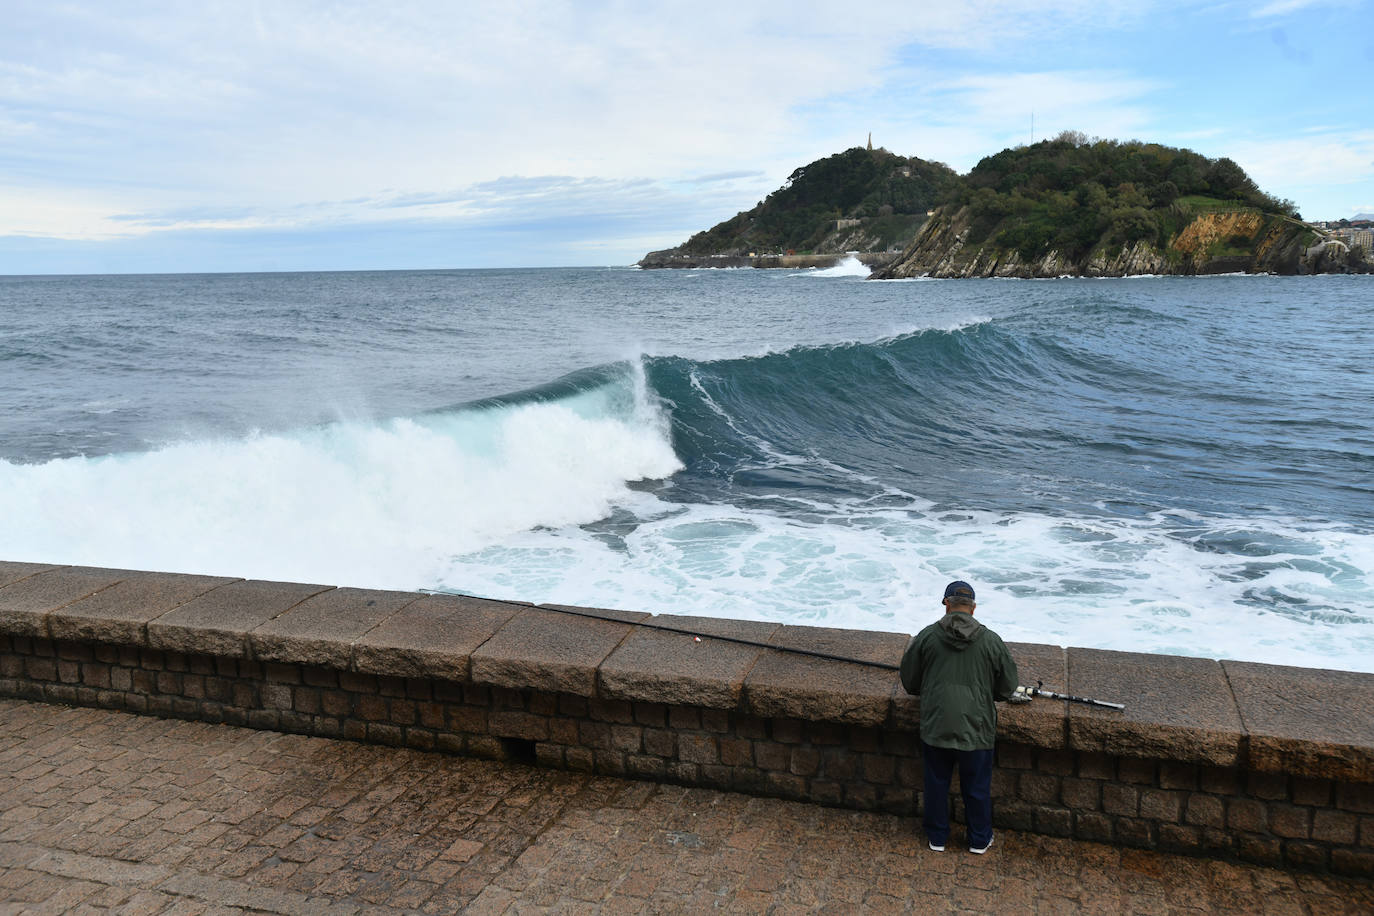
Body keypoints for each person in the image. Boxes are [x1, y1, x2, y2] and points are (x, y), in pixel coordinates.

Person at [899, 580, 1018, 854]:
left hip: (937, 724)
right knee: (976, 787)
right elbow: (1007, 687)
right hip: (977, 727)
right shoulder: (991, 640)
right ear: (973, 609)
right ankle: (979, 839)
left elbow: (910, 682)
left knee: (936, 783)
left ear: (946, 604)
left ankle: (937, 837)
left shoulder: (927, 636)